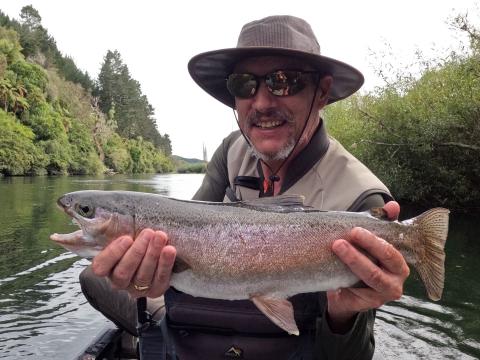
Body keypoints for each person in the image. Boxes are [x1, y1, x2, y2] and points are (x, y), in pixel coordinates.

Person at [80, 15, 409, 359]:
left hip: (293, 346)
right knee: (96, 276)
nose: (263, 102)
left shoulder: (362, 197)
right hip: (203, 325)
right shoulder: (231, 151)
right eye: (244, 85)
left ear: (322, 92)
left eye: (284, 82)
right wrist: (146, 277)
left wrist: (343, 315)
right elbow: (183, 230)